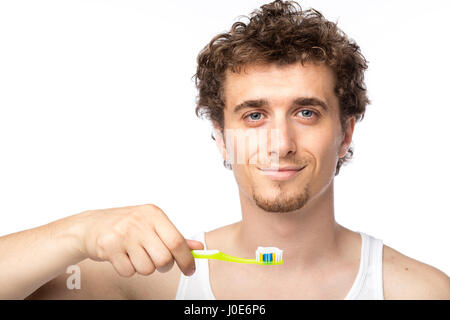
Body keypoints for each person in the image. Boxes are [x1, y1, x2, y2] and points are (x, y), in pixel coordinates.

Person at [1, 0, 449, 300]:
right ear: (220, 136)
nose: (280, 143)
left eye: (307, 113)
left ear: (346, 132)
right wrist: (79, 232)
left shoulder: (418, 292)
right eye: (254, 115)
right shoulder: (161, 280)